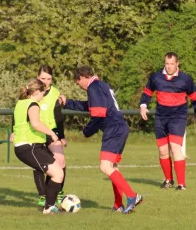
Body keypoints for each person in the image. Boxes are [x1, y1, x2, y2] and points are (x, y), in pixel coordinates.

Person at [59, 66, 143, 214]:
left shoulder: (93, 87)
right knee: (113, 168)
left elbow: (98, 114)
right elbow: (89, 106)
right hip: (120, 127)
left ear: (82, 78)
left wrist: (87, 131)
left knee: (105, 167)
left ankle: (132, 196)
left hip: (113, 129)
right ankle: (118, 205)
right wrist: (68, 103)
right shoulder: (101, 85)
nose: (79, 86)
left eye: (78, 83)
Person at [139, 52, 196, 190]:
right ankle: (168, 180)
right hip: (161, 117)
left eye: (171, 64)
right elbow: (147, 93)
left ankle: (181, 184)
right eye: (166, 64)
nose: (169, 67)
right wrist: (143, 105)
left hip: (178, 117)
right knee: (163, 151)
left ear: (177, 64)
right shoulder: (156, 77)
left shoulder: (185, 79)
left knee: (175, 148)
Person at [13, 78, 65, 215]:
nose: (43, 95)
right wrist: (52, 134)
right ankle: (49, 207)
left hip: (31, 146)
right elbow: (35, 124)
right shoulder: (33, 104)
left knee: (57, 171)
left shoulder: (21, 103)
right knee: (58, 174)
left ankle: (49, 206)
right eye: (42, 92)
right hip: (29, 147)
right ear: (36, 91)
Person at [34, 65, 68, 207]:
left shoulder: (55, 92)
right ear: (37, 77)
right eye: (43, 78)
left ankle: (58, 191)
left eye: (49, 78)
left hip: (52, 132)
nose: (46, 81)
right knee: (39, 165)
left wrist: (61, 136)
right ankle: (43, 195)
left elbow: (58, 115)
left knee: (60, 160)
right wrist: (13, 131)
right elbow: (20, 109)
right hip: (35, 131)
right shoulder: (32, 91)